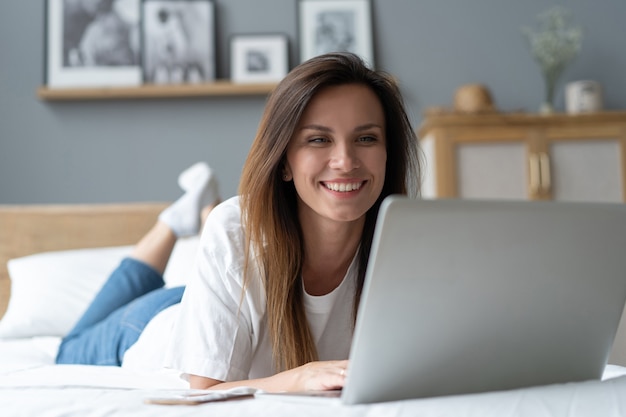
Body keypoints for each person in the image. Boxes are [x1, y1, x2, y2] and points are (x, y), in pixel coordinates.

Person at [164, 52, 421, 392]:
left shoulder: (412, 245)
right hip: (150, 324)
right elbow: (204, 394)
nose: (345, 161)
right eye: (318, 139)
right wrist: (301, 377)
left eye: (366, 138)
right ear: (283, 161)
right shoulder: (234, 231)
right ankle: (170, 223)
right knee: (94, 327)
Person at [55, 161, 220, 366]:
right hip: (167, 314)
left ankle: (186, 219)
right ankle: (183, 219)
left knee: (68, 352)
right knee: (69, 352)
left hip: (170, 307)